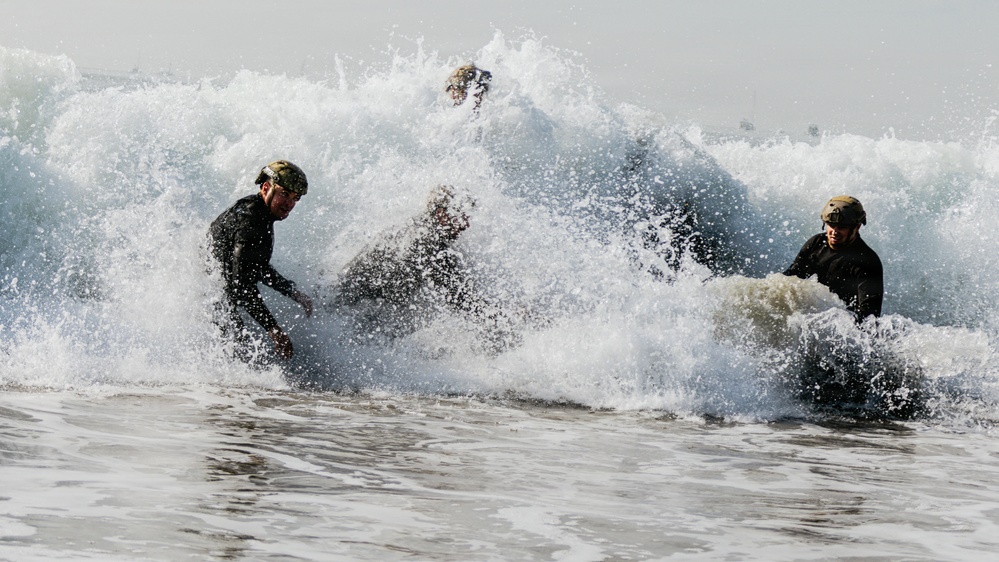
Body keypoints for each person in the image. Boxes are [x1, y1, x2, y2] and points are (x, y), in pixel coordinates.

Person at [333, 185, 517, 348]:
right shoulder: (427, 243)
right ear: (441, 214)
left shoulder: (412, 228)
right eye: (461, 216)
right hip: (352, 311)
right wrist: (508, 318)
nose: (466, 224)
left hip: (348, 303)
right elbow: (461, 300)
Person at [207, 160, 314, 360]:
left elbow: (256, 266)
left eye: (295, 198)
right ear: (266, 188)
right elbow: (242, 285)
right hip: (212, 300)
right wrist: (274, 330)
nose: (289, 204)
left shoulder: (258, 212)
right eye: (284, 194)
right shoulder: (251, 224)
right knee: (239, 366)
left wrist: (291, 291)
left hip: (217, 295)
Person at [783, 195, 884, 321]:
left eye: (841, 227)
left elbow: (869, 317)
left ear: (857, 227)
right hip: (808, 318)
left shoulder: (867, 262)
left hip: (842, 327)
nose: (835, 232)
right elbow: (789, 281)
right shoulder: (816, 244)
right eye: (831, 225)